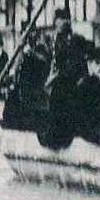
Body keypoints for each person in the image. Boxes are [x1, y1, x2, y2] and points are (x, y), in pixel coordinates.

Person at [38, 8, 89, 149]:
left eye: (64, 21)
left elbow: (79, 65)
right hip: (59, 84)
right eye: (59, 22)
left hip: (69, 83)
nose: (62, 24)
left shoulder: (73, 41)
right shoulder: (52, 42)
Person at [1, 28, 49, 132]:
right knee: (11, 103)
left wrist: (30, 53)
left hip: (34, 89)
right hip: (22, 89)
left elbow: (43, 62)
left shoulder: (40, 49)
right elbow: (18, 69)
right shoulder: (22, 52)